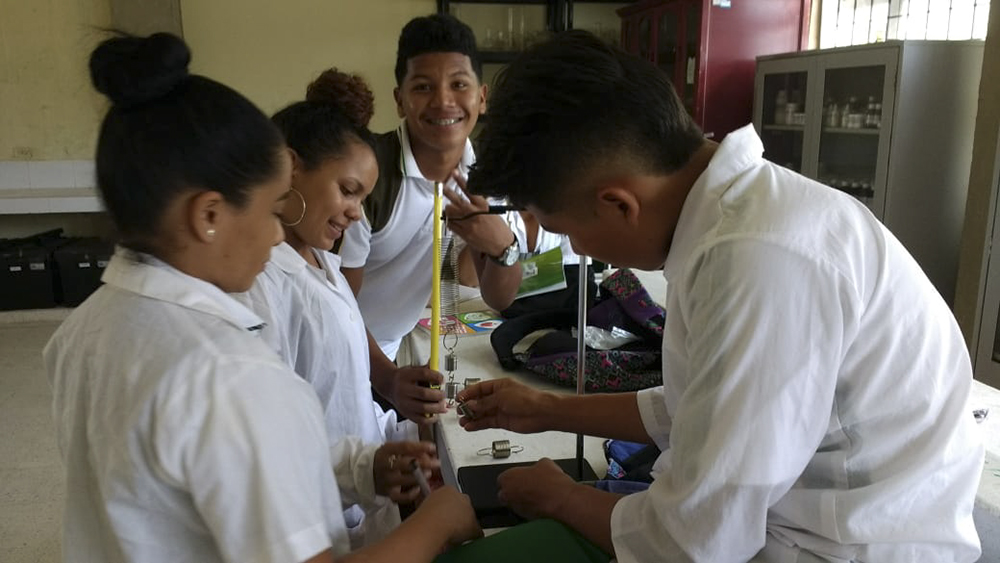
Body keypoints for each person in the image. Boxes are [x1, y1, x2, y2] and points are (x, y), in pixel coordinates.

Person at [457, 30, 983, 562]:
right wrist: (546, 409)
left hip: (839, 548)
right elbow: (697, 408)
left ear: (618, 204)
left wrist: (562, 498)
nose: (576, 247)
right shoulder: (731, 219)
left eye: (565, 230)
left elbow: (694, 543)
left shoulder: (759, 261)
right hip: (791, 520)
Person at [44, 32, 480, 563]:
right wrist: (436, 522)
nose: (276, 236)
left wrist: (358, 468)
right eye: (269, 208)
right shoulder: (233, 374)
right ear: (209, 215)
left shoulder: (80, 331)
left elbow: (209, 470)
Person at [239, 68, 434, 549]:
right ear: (290, 169)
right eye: (347, 191)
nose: (356, 212)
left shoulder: (325, 263)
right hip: (312, 516)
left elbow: (342, 394)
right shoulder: (262, 283)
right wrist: (363, 470)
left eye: (363, 198)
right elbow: (266, 442)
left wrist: (401, 424)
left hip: (355, 499)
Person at [337, 13, 521, 421]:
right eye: (423, 87)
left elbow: (499, 298)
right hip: (338, 354)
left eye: (459, 84)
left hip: (386, 352)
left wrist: (502, 245)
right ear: (399, 99)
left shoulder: (483, 178)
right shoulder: (368, 174)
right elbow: (337, 304)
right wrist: (387, 379)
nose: (443, 101)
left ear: (482, 97)